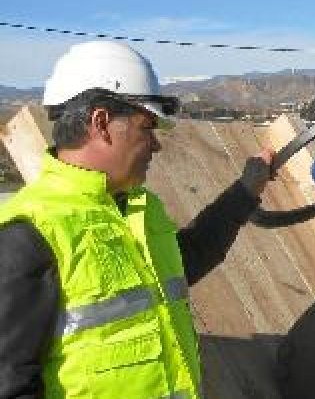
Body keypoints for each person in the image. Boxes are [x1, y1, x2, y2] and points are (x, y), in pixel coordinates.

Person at [0, 41, 277, 399]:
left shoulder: (135, 207)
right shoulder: (29, 233)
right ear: (101, 123)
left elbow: (188, 259)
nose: (156, 144)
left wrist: (246, 190)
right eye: (147, 127)